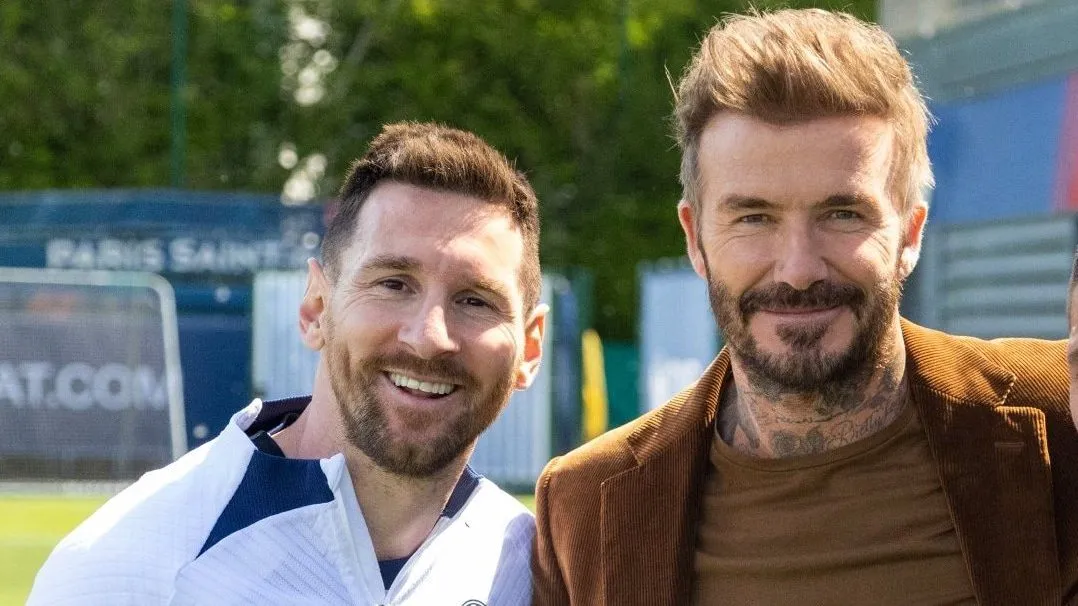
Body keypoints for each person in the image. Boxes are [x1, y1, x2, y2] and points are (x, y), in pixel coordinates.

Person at [533, 9, 1078, 605]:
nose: (797, 270)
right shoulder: (587, 505)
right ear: (695, 238)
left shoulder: (1060, 411)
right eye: (754, 217)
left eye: (842, 214)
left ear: (911, 233)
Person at [30, 122, 546, 605]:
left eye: (475, 299)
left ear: (528, 349)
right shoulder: (129, 572)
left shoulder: (539, 571)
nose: (430, 337)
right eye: (393, 284)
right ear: (317, 308)